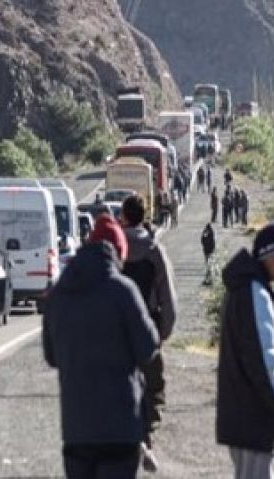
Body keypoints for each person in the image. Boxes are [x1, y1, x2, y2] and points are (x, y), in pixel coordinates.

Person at [45, 214, 159, 479]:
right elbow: (148, 347)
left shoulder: (59, 293)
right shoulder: (123, 291)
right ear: (117, 251)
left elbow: (52, 357)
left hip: (76, 429)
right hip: (119, 427)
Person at [217, 223, 274, 479]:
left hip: (243, 416)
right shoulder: (255, 295)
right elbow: (264, 359)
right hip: (254, 420)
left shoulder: (244, 291)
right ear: (268, 256)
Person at [118, 196, 178, 473]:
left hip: (118, 333)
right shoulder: (155, 251)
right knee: (154, 388)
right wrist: (163, 332)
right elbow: (168, 298)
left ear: (124, 217)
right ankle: (147, 436)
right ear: (144, 217)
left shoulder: (114, 250)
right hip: (149, 330)